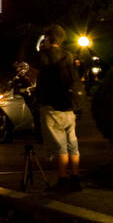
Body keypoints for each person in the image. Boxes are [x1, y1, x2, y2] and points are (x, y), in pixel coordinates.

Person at [37, 25, 82, 192]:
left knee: (59, 146)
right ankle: (76, 178)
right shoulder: (68, 55)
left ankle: (62, 179)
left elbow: (39, 76)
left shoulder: (45, 57)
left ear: (49, 38)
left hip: (52, 106)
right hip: (69, 106)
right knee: (72, 143)